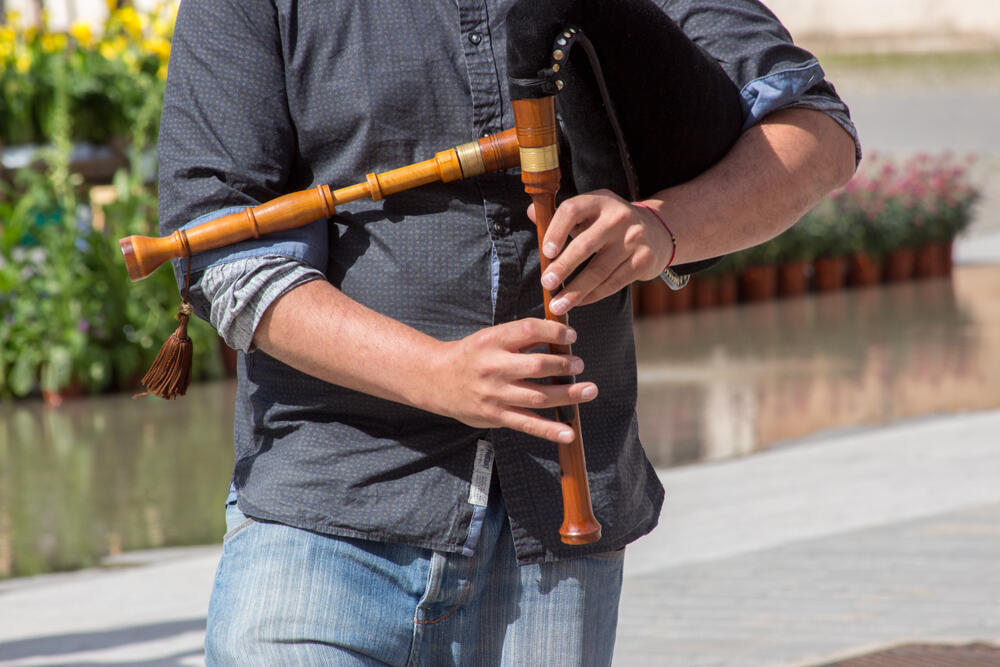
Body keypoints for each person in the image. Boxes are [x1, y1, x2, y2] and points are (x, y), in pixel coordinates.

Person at [158, 0, 859, 664]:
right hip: (322, 519)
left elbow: (819, 134)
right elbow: (224, 248)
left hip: (557, 531)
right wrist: (435, 374)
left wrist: (664, 226)